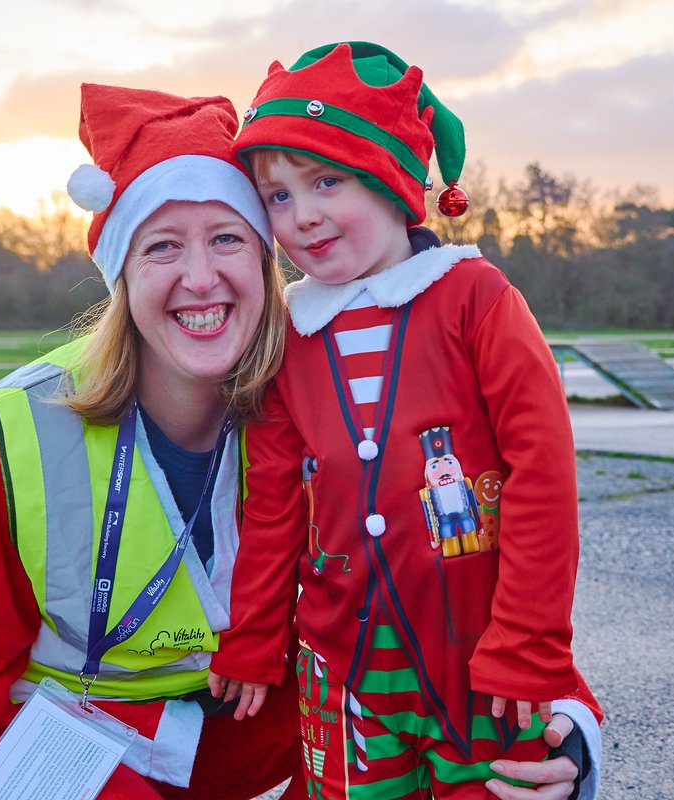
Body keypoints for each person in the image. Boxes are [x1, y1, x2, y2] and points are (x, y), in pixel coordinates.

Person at [0, 84, 303, 799]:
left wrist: (557, 718)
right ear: (122, 276)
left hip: (238, 736)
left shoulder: (321, 405)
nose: (201, 279)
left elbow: (432, 599)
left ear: (265, 262)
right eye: (163, 246)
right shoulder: (22, 430)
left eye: (228, 238)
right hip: (74, 751)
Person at [207, 42, 604, 799]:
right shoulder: (289, 334)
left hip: (479, 662)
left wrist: (528, 644)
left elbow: (542, 478)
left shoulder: (476, 300)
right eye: (278, 196)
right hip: (344, 665)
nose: (303, 216)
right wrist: (254, 636)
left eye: (327, 180)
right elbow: (273, 503)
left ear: (394, 182)